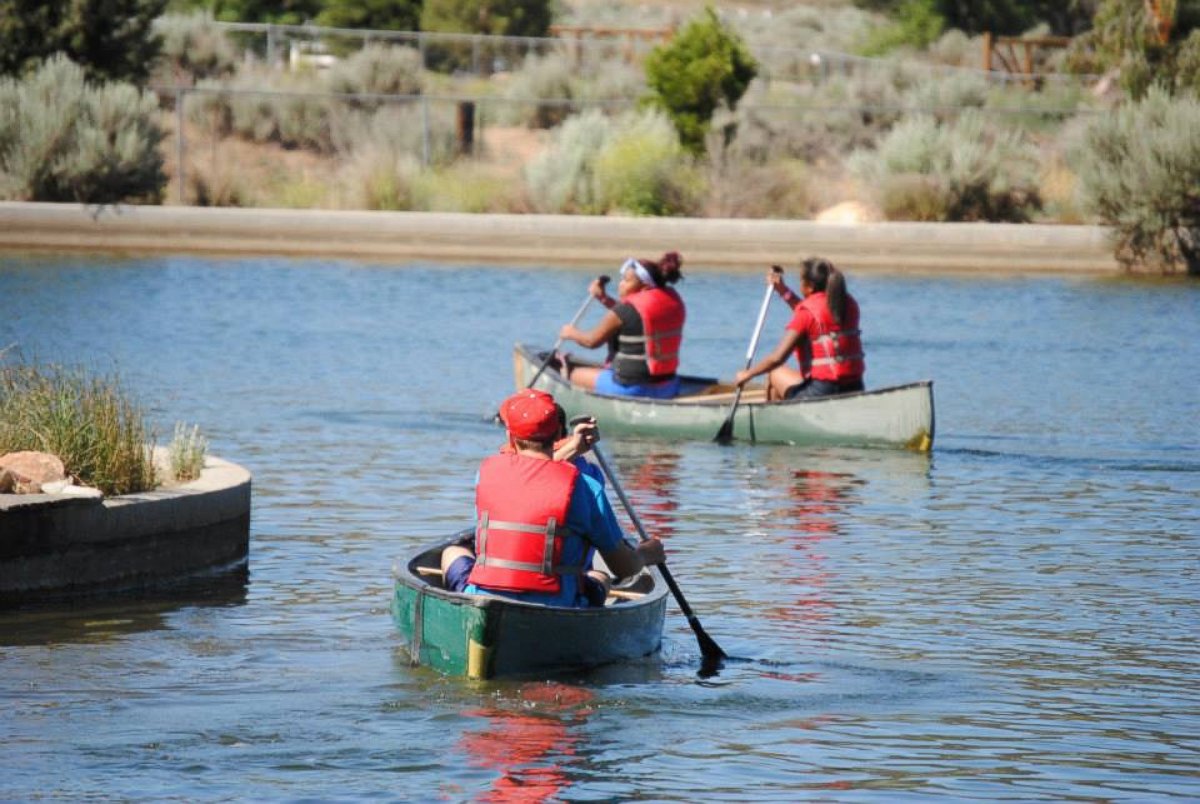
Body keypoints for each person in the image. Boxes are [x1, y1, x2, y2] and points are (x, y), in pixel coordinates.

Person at [442, 389, 665, 608]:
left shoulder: (485, 474)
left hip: (487, 598)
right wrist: (647, 554)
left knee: (453, 552)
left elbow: (533, 479)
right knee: (600, 576)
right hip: (560, 604)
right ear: (558, 434)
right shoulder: (586, 486)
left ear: (511, 437)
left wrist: (572, 449)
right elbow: (623, 568)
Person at [557, 251, 686, 399]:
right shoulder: (670, 302)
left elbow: (591, 341)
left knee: (570, 373)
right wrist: (604, 298)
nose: (621, 285)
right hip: (669, 386)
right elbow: (635, 318)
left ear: (644, 287)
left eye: (626, 280)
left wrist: (570, 333)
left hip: (632, 388)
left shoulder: (624, 310)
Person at [735, 257, 865, 400]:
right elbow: (814, 314)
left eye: (800, 281)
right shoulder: (848, 303)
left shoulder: (807, 313)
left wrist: (748, 374)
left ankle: (776, 419)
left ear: (809, 286)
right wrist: (783, 290)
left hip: (822, 392)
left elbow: (777, 358)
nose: (799, 284)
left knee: (775, 373)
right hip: (855, 387)